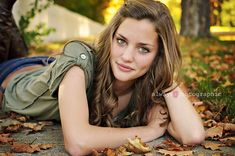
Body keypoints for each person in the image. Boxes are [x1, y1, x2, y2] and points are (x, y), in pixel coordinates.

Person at [0, 0, 205, 155]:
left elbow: (192, 135)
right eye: (121, 41)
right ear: (111, 37)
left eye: (143, 49)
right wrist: (148, 131)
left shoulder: (150, 83)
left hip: (48, 67)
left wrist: (167, 76)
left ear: (159, 55)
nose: (126, 57)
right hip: (13, 75)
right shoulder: (79, 63)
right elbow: (78, 143)